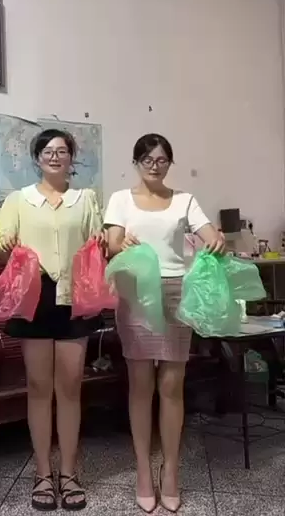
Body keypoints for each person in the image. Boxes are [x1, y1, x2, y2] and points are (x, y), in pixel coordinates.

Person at [104, 133, 224, 513]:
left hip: (175, 293)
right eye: (147, 160)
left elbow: (209, 235)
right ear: (136, 162)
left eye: (161, 160)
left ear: (169, 163)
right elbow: (112, 243)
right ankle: (143, 469)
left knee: (172, 385)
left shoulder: (185, 199)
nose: (154, 166)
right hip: (136, 292)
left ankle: (170, 470)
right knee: (141, 385)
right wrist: (121, 244)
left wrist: (216, 241)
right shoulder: (120, 199)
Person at [0, 128, 103, 511]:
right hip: (35, 296)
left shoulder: (85, 199)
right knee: (40, 388)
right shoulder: (18, 200)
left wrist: (110, 243)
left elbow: (98, 244)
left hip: (74, 296)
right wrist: (5, 246)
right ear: (37, 158)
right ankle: (43, 473)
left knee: (71, 387)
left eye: (62, 151)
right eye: (48, 151)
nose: (55, 156)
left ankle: (69, 473)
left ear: (71, 158)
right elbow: (3, 247)